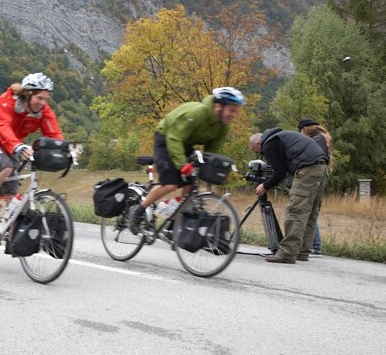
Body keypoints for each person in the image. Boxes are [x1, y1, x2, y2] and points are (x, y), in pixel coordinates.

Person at [129, 87, 246, 235]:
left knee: (190, 185)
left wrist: (211, 169)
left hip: (185, 145)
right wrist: (182, 165)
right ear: (219, 106)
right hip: (166, 138)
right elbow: (174, 137)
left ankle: (175, 222)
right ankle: (138, 211)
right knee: (171, 184)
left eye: (236, 111)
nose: (234, 115)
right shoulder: (198, 113)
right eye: (231, 110)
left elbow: (211, 152)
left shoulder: (222, 127)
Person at [0, 72, 64, 224]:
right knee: (6, 166)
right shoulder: (8, 100)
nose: (42, 103)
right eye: (39, 98)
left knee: (11, 194)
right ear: (28, 94)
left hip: (11, 144)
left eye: (45, 99)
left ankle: (8, 236)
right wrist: (18, 146)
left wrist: (65, 152)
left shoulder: (43, 111)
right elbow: (2, 125)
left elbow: (54, 134)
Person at [248, 128, 329, 264]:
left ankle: (287, 253)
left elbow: (279, 172)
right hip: (321, 167)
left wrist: (265, 186)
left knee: (295, 211)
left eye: (257, 151)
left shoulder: (269, 143)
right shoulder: (280, 137)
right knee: (310, 212)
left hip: (307, 168)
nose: (261, 154)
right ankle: (302, 251)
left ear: (258, 142)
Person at [297, 118, 334, 256]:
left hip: (314, 176)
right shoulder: (322, 138)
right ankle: (315, 245)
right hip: (319, 176)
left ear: (305, 129)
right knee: (311, 211)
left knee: (309, 211)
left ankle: (315, 245)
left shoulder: (317, 140)